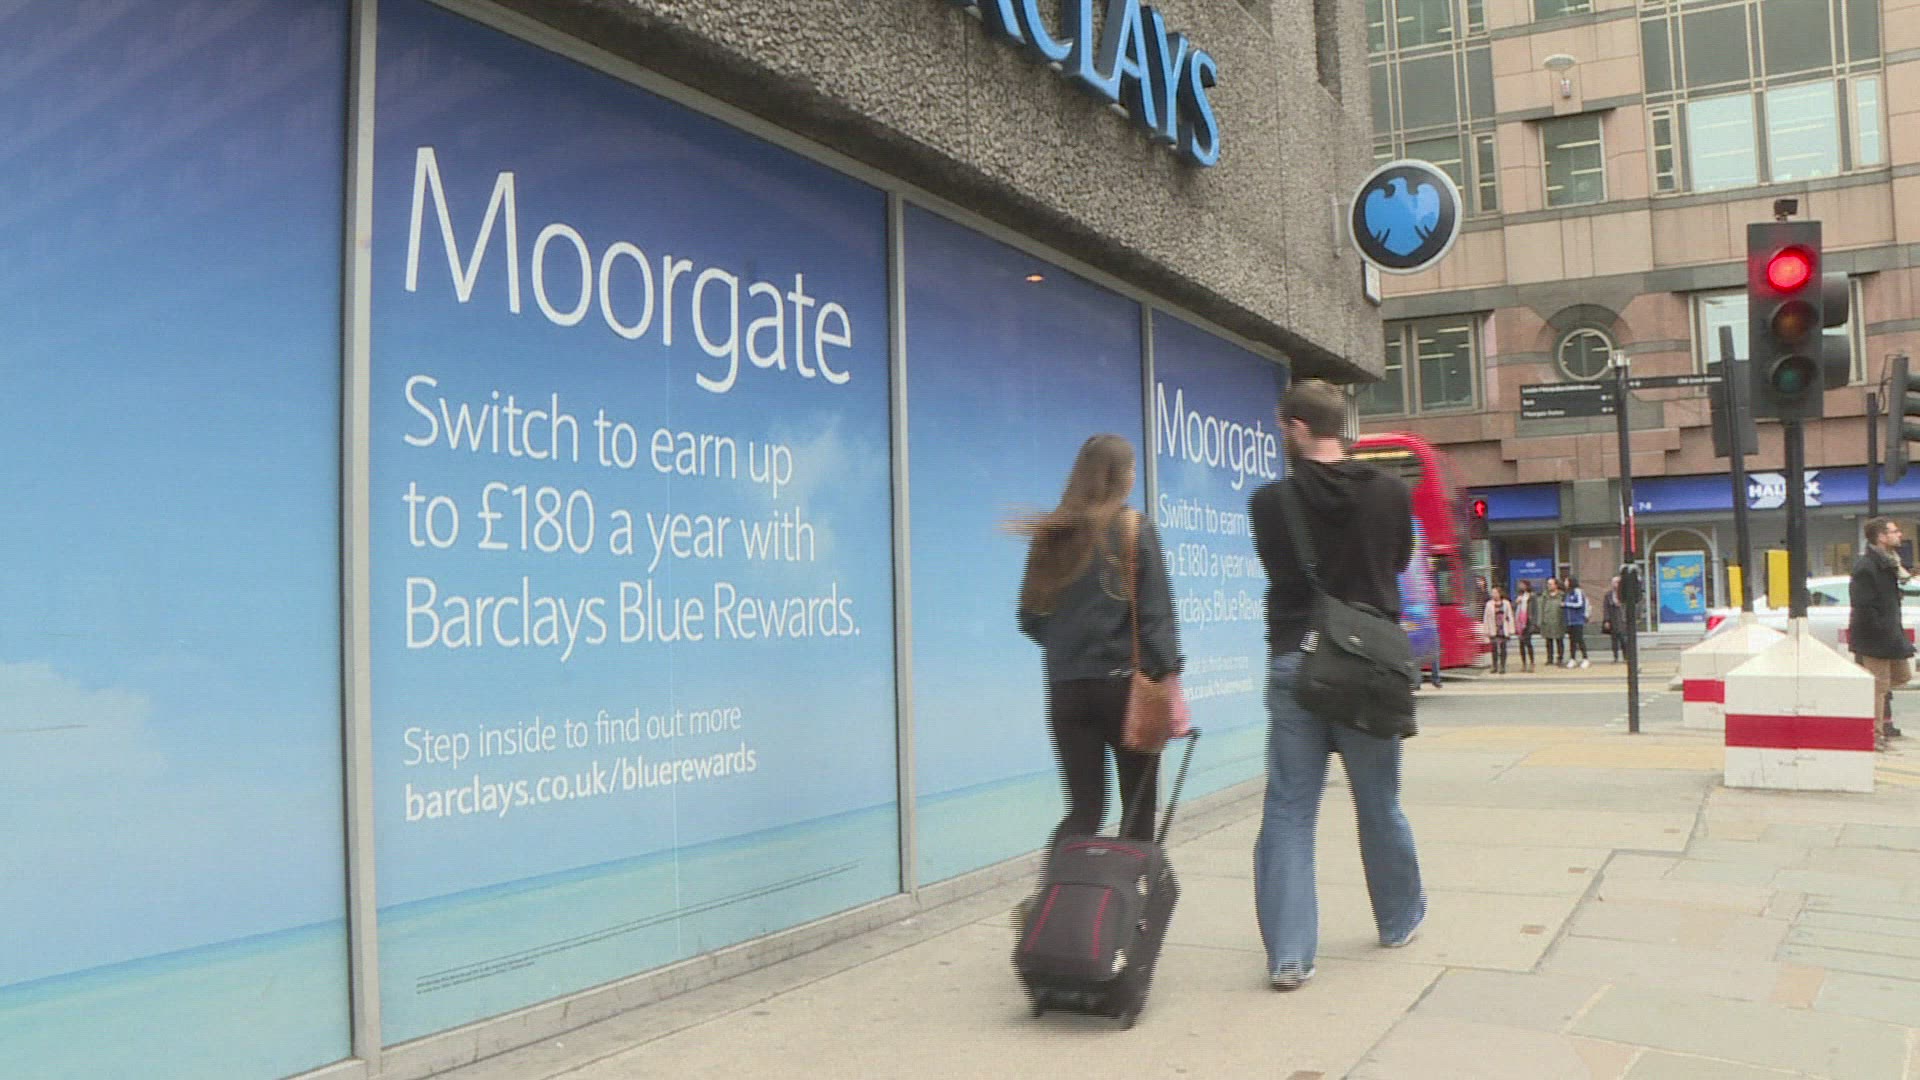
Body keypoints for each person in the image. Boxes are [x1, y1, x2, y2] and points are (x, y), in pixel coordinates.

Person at [1248, 379, 1425, 992]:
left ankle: (1289, 957)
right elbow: (1396, 562)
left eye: (1282, 427)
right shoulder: (1391, 492)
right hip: (1369, 666)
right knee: (1378, 801)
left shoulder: (1270, 502)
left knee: (1289, 810)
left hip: (1297, 660)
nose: (1281, 436)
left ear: (1297, 427)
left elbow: (1279, 571)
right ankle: (1398, 921)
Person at [1015, 434, 1183, 848]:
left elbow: (1029, 618)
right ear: (1121, 477)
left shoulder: (1052, 534)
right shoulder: (1133, 528)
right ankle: (1129, 891)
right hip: (1125, 689)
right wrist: (1169, 680)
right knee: (1138, 807)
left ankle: (1055, 887)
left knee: (1084, 810)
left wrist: (1070, 645)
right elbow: (1156, 617)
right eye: (1132, 469)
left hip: (1067, 690)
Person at [1849, 517, 1913, 750]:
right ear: (1881, 537)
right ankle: (1874, 737)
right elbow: (1863, 605)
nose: (1899, 535)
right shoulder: (1867, 566)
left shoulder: (1890, 563)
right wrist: (1880, 628)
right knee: (1878, 687)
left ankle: (1862, 695)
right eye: (1894, 531)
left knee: (1903, 676)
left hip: (1891, 634)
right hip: (1875, 638)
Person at [1482, 585, 1514, 674]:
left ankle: (1502, 666)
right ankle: (1495, 665)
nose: (1494, 594)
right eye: (1492, 593)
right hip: (1493, 628)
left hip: (1503, 628)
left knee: (1503, 648)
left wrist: (1511, 629)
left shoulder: (1506, 603)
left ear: (1500, 593)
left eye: (1495, 593)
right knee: (1494, 648)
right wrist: (1486, 630)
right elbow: (1486, 617)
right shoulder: (1489, 604)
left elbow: (1510, 616)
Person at [1563, 576, 1591, 668]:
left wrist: (1566, 604)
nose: (1565, 583)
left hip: (1578, 620)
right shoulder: (1568, 593)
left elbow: (1579, 604)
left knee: (1579, 639)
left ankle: (1585, 658)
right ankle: (1572, 658)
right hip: (1570, 621)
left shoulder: (1578, 591)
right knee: (1572, 641)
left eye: (1566, 581)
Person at [1540, 578, 1567, 669]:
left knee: (1559, 641)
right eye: (1548, 584)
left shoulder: (1562, 595)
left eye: (1551, 584)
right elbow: (1542, 608)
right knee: (1548, 641)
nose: (1549, 586)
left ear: (1556, 585)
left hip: (1559, 621)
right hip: (1547, 621)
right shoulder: (1545, 595)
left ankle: (1560, 658)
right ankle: (1549, 658)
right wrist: (1542, 620)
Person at [1514, 579, 1537, 673]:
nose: (1521, 586)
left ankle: (1532, 663)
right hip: (1519, 622)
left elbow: (1535, 610)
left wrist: (1534, 623)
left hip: (1527, 622)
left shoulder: (1532, 596)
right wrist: (1517, 602)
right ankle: (1524, 663)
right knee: (1521, 644)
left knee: (1528, 642)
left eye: (1523, 585)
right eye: (1520, 585)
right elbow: (1514, 608)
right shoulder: (1519, 596)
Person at [1603, 577, 1628, 662]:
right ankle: (1615, 657)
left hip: (1622, 619)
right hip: (1613, 619)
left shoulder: (1624, 594)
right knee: (1614, 640)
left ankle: (1626, 657)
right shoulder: (1608, 595)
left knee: (1623, 639)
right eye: (1614, 582)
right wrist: (1606, 620)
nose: (1616, 584)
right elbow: (1606, 608)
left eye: (1617, 582)